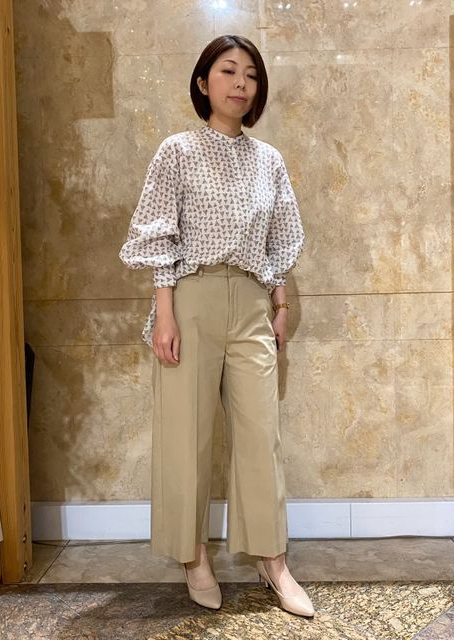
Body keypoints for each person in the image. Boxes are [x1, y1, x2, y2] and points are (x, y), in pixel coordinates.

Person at [119, 34, 313, 618]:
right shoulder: (177, 151)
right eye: (228, 71)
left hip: (252, 302)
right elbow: (159, 233)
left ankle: (273, 562)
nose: (240, 83)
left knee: (261, 436)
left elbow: (282, 238)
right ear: (204, 82)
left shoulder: (268, 160)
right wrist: (165, 312)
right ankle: (193, 557)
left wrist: (281, 306)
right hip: (192, 297)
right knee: (186, 434)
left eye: (250, 74)